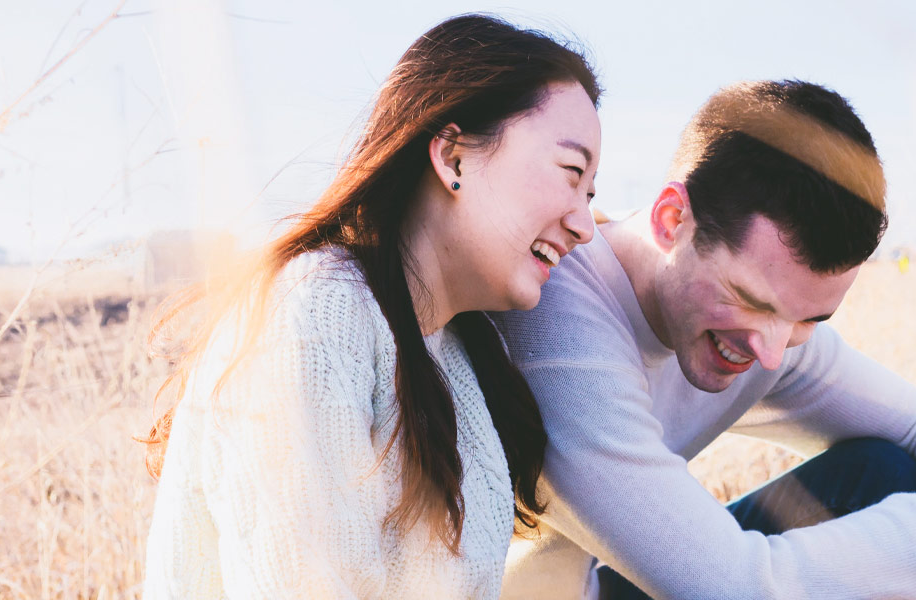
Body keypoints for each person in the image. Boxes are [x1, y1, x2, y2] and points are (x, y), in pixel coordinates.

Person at [490, 80, 916, 599]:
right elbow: (733, 587)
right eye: (752, 300)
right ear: (670, 219)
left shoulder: (766, 331)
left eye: (810, 319)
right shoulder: (557, 313)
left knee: (888, 471)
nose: (773, 352)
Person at [140, 15, 602, 599]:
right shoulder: (313, 314)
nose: (584, 225)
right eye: (570, 174)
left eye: (591, 195)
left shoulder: (452, 351)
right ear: (454, 157)